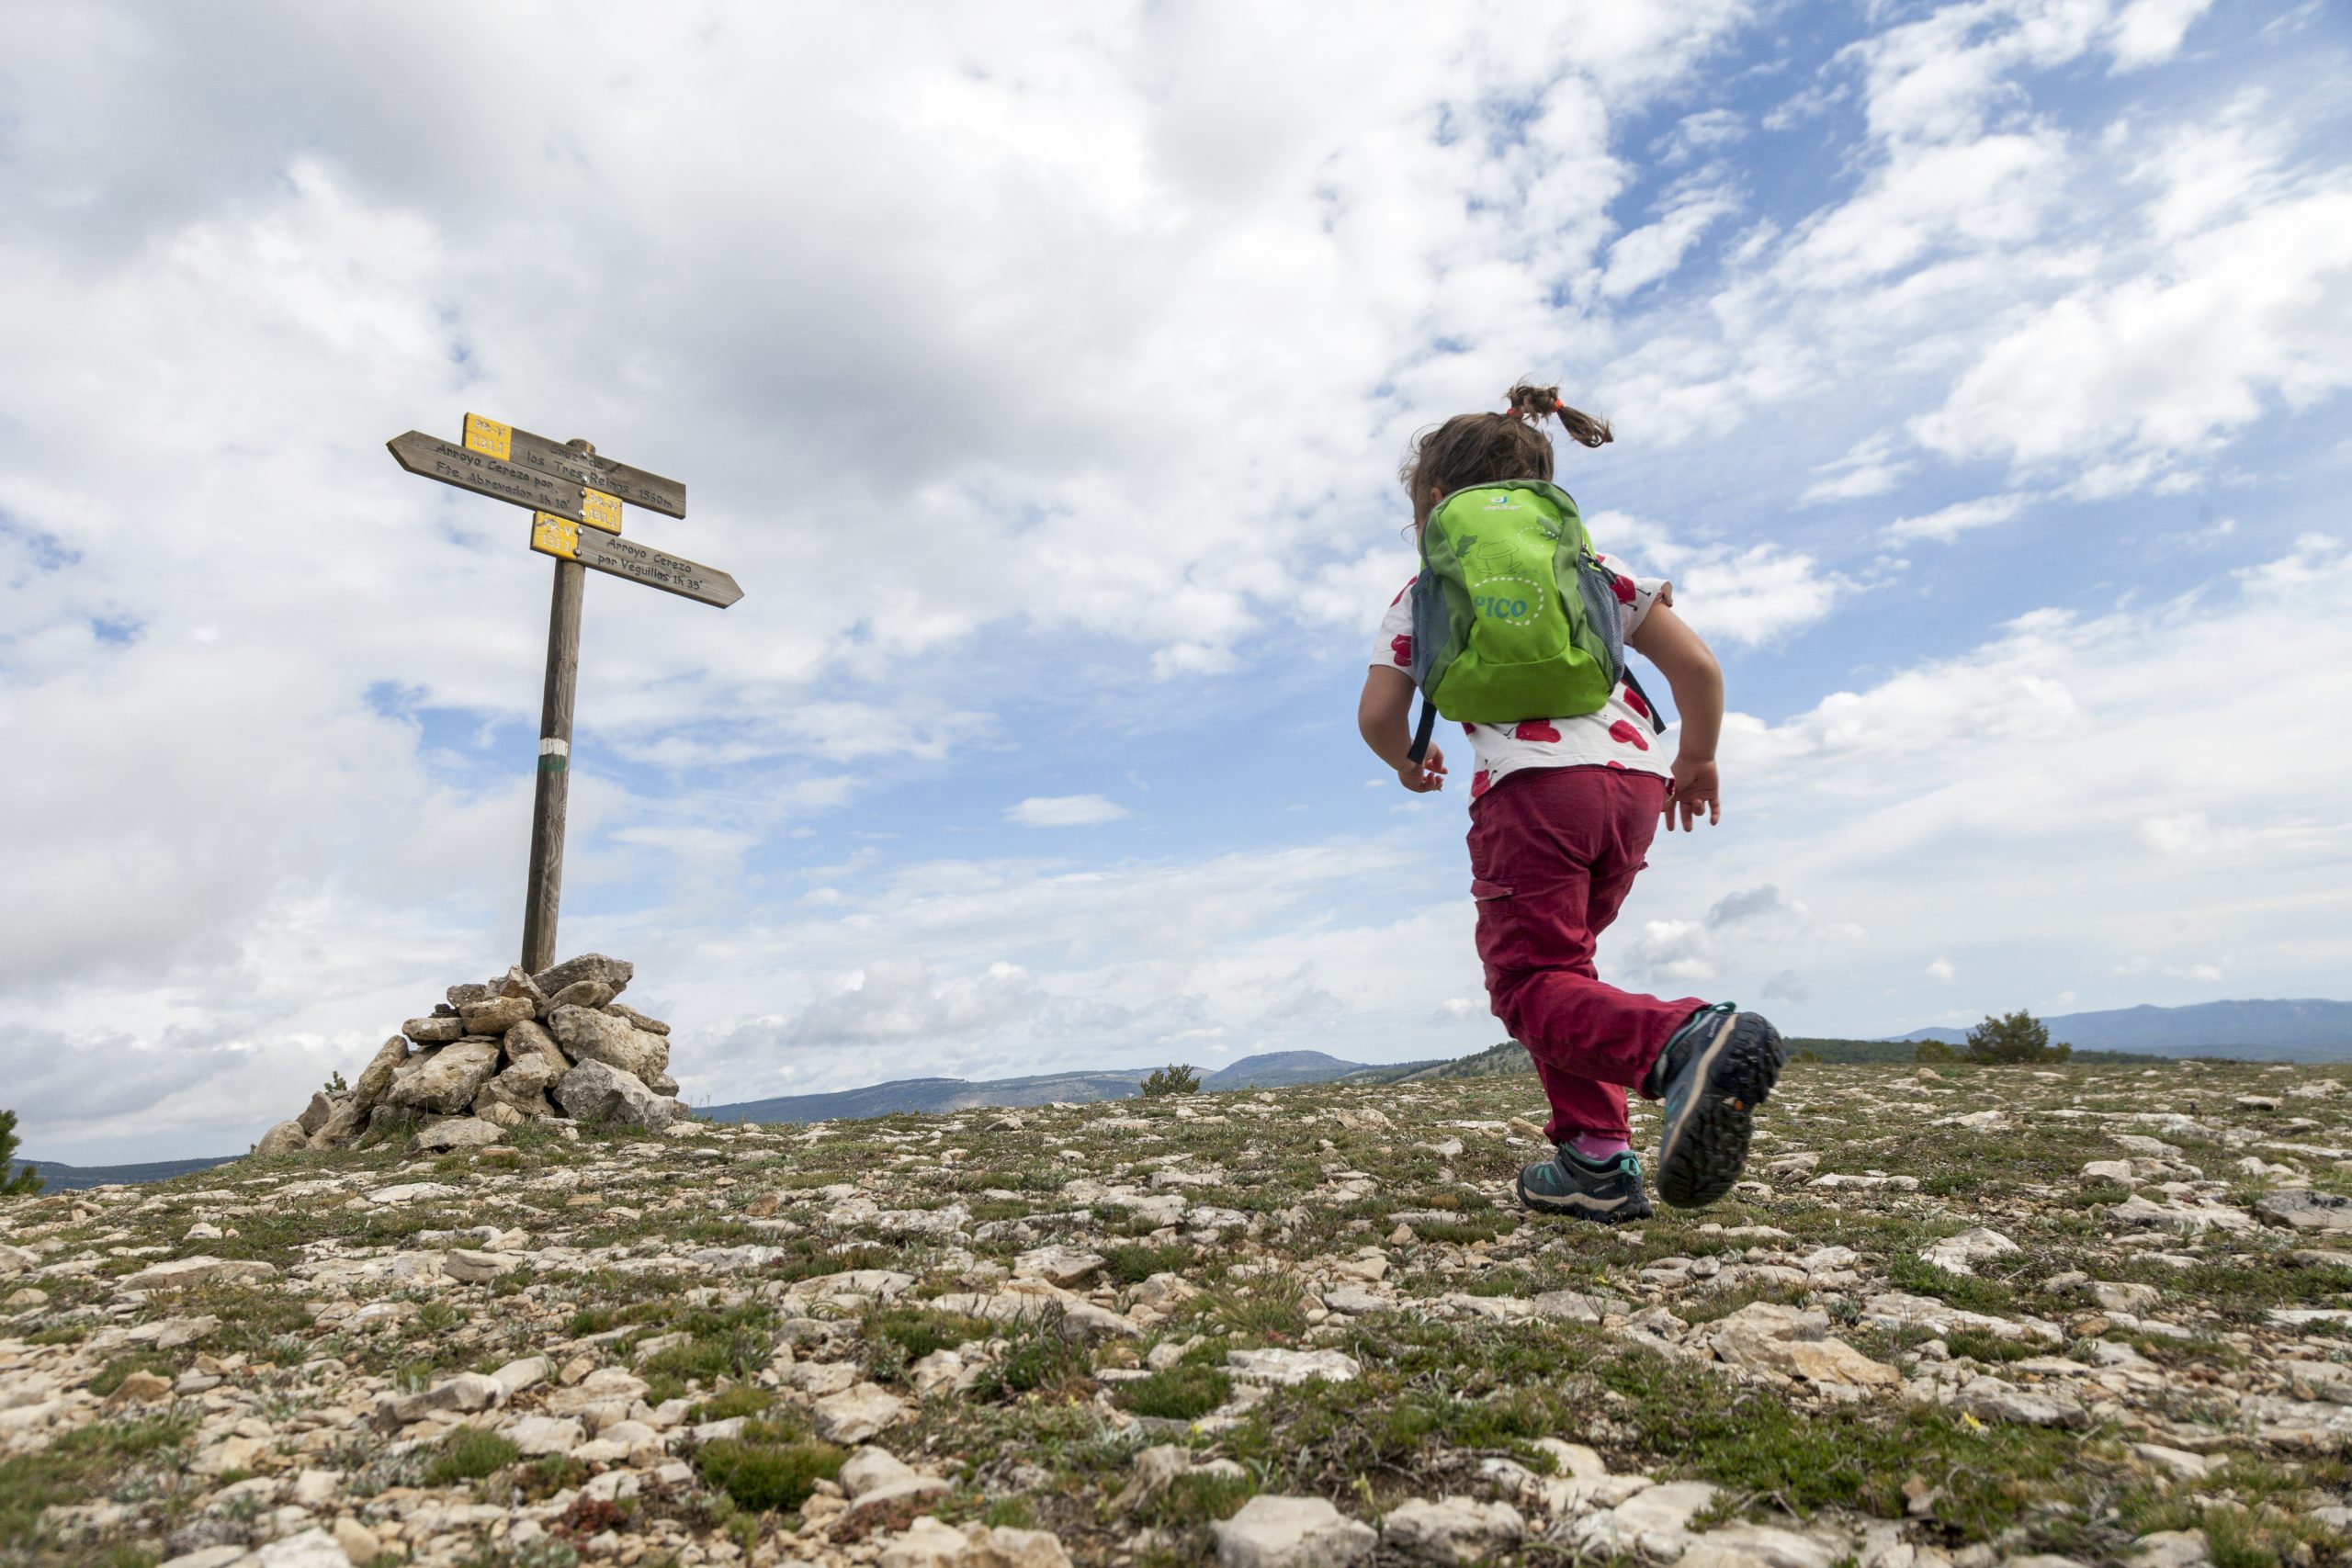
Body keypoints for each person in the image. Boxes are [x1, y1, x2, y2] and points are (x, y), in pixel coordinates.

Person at [1357, 383, 1784, 1221]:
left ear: (1435, 499)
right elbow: (1697, 668)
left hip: (1531, 794)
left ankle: (1680, 1038)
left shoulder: (1425, 590)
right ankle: (1595, 1159)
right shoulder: (1595, 568)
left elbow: (1378, 714)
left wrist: (1408, 759)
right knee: (1564, 971)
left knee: (1528, 983)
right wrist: (1697, 756)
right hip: (1634, 789)